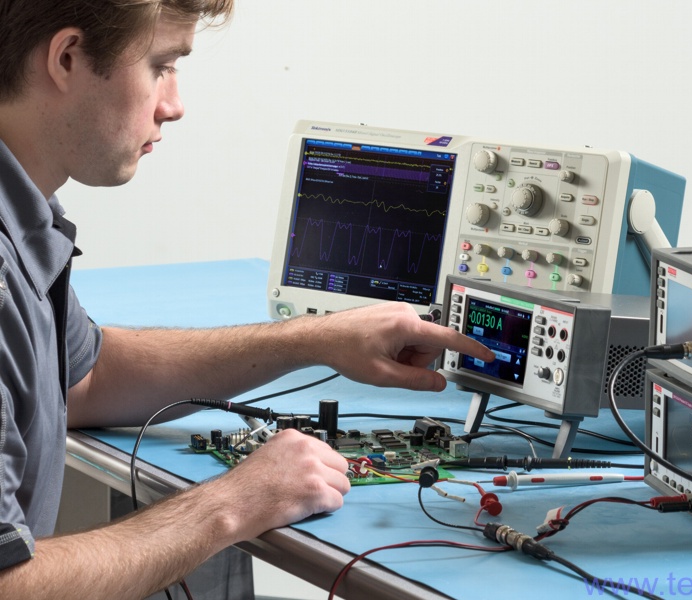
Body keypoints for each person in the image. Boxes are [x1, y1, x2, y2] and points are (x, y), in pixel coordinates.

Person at [0, 1, 494, 597]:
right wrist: (231, 504)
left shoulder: (25, 221)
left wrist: (317, 339)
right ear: (68, 58)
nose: (173, 104)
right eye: (160, 66)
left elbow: (83, 378)